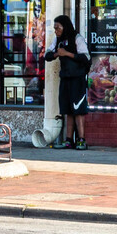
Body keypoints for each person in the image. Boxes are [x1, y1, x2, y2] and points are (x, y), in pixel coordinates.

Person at [48, 15, 91, 150]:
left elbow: (86, 57)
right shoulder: (58, 40)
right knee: (68, 110)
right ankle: (68, 140)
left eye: (58, 28)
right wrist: (56, 54)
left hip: (77, 78)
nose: (56, 31)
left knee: (78, 110)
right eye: (55, 28)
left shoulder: (77, 38)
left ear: (65, 27)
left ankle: (81, 140)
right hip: (65, 78)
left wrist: (67, 54)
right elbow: (47, 55)